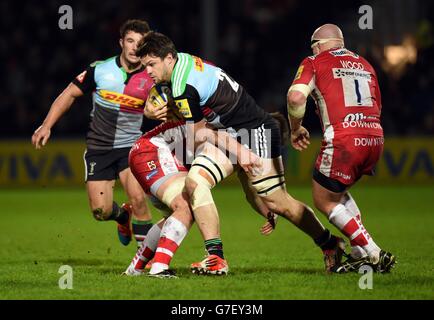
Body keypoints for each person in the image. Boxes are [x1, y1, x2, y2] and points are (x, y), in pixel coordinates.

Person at [136, 31, 345, 275]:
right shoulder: (182, 61)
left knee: (278, 202)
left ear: (168, 58)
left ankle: (330, 244)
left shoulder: (183, 85)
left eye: (151, 65)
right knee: (195, 183)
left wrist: (239, 151)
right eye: (144, 66)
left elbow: (197, 137)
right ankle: (216, 258)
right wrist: (152, 109)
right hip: (229, 133)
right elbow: (165, 96)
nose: (148, 71)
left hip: (256, 132)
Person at [123, 89, 276, 277]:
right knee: (186, 204)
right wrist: (151, 106)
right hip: (154, 151)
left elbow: (250, 190)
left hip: (150, 152)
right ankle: (159, 268)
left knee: (178, 214)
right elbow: (166, 95)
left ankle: (136, 268)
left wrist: (268, 212)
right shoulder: (235, 135)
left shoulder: (239, 139)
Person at [31, 19, 155, 247]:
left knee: (138, 199)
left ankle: (145, 262)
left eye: (141, 42)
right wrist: (46, 125)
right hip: (99, 148)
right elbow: (69, 94)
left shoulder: (152, 78)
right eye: (130, 41)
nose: (135, 47)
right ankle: (121, 216)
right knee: (101, 211)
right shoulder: (99, 70)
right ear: (121, 43)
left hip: (131, 147)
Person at [286, 23, 396, 273]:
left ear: (318, 45)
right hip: (375, 137)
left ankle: (373, 251)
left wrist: (295, 128)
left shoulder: (315, 61)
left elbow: (295, 97)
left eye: (313, 47)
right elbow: (377, 107)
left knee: (323, 198)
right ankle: (359, 254)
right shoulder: (366, 64)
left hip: (344, 138)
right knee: (336, 191)